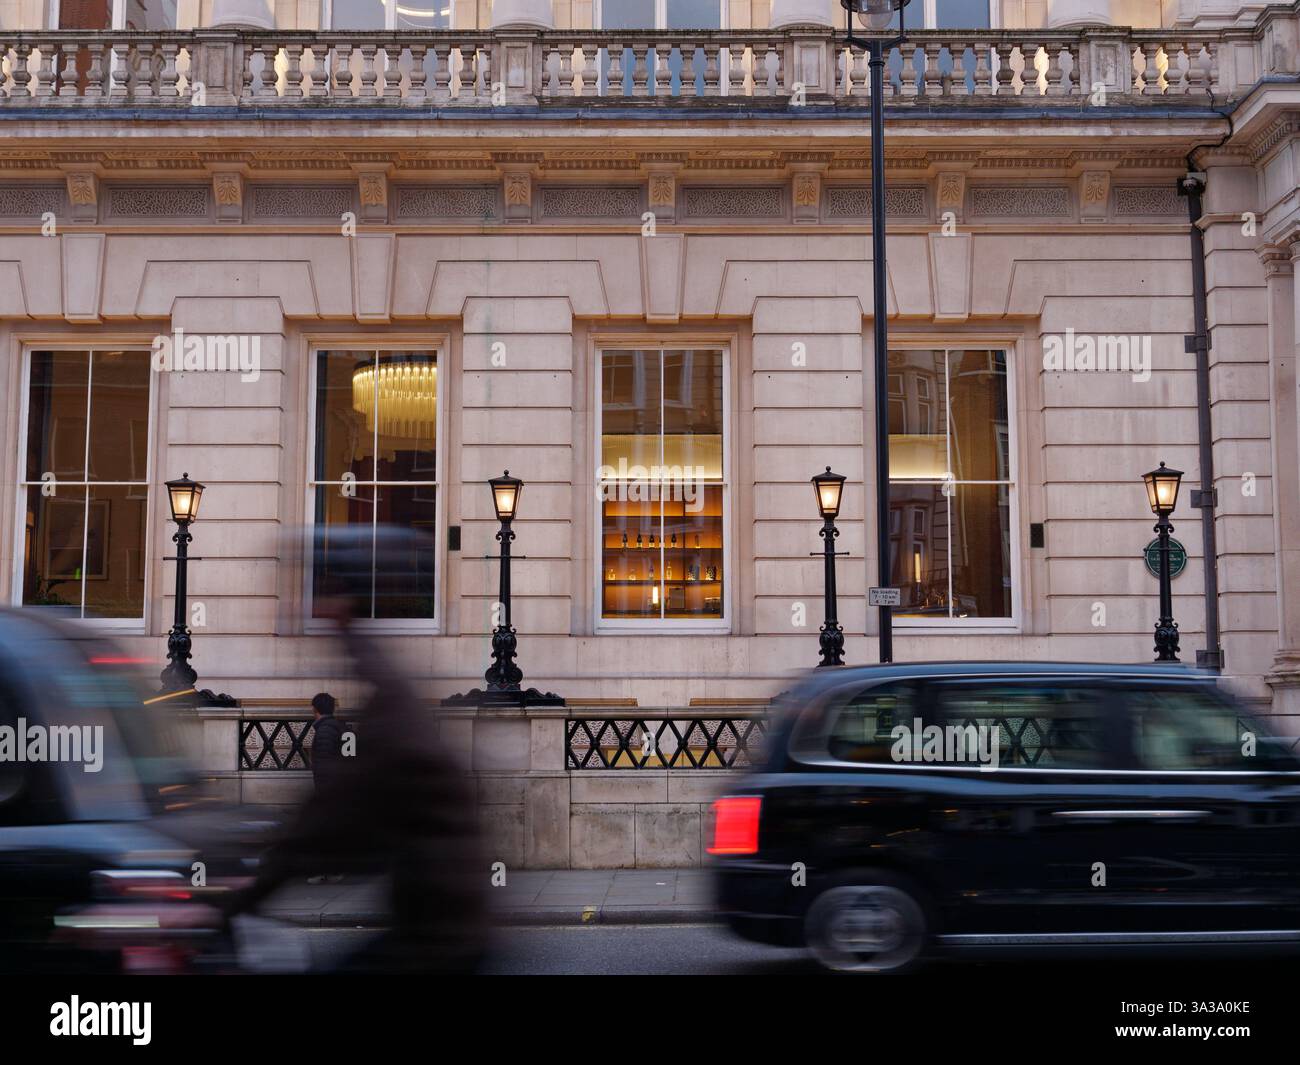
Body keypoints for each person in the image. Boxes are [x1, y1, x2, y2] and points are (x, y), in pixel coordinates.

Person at [224, 527, 487, 973]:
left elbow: (322, 823)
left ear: (343, 602)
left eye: (322, 592)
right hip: (443, 919)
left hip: (441, 934)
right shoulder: (385, 683)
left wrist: (241, 899)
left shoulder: (389, 713)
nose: (306, 607)